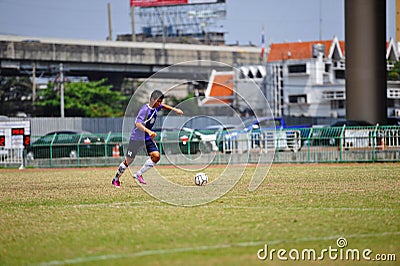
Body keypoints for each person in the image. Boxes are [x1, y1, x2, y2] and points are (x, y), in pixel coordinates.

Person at [112, 90, 183, 187]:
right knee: (129, 161)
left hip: (147, 138)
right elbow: (137, 124)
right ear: (152, 99)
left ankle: (138, 174)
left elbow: (164, 106)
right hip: (136, 138)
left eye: (161, 101)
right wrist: (149, 131)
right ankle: (116, 179)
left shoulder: (157, 107)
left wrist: (175, 110)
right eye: (158, 101)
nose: (160, 104)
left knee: (156, 156)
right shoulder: (145, 110)